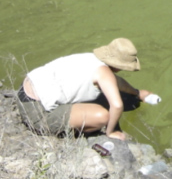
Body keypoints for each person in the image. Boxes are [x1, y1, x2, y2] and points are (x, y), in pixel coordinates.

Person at [16, 37, 161, 140]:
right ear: (119, 66)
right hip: (36, 113)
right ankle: (72, 136)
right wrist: (111, 132)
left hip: (23, 92)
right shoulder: (104, 74)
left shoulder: (89, 58)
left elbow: (117, 82)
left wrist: (137, 93)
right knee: (102, 116)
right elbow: (117, 105)